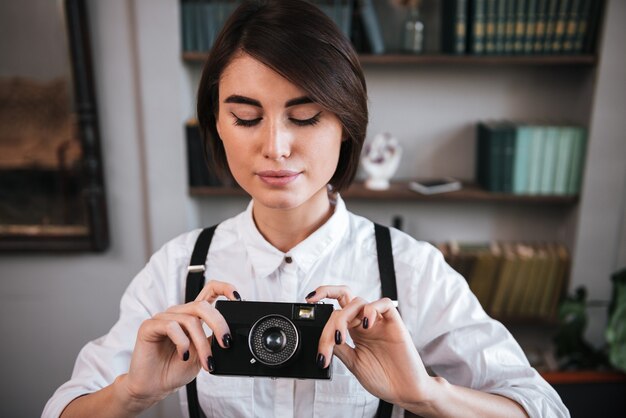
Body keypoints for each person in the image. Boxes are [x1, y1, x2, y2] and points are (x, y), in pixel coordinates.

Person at [44, 1, 570, 417]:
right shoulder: (178, 269)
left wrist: (427, 395)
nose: (275, 147)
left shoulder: (409, 270)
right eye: (247, 119)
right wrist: (132, 394)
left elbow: (545, 408)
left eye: (306, 116)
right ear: (217, 127)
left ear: (345, 124)